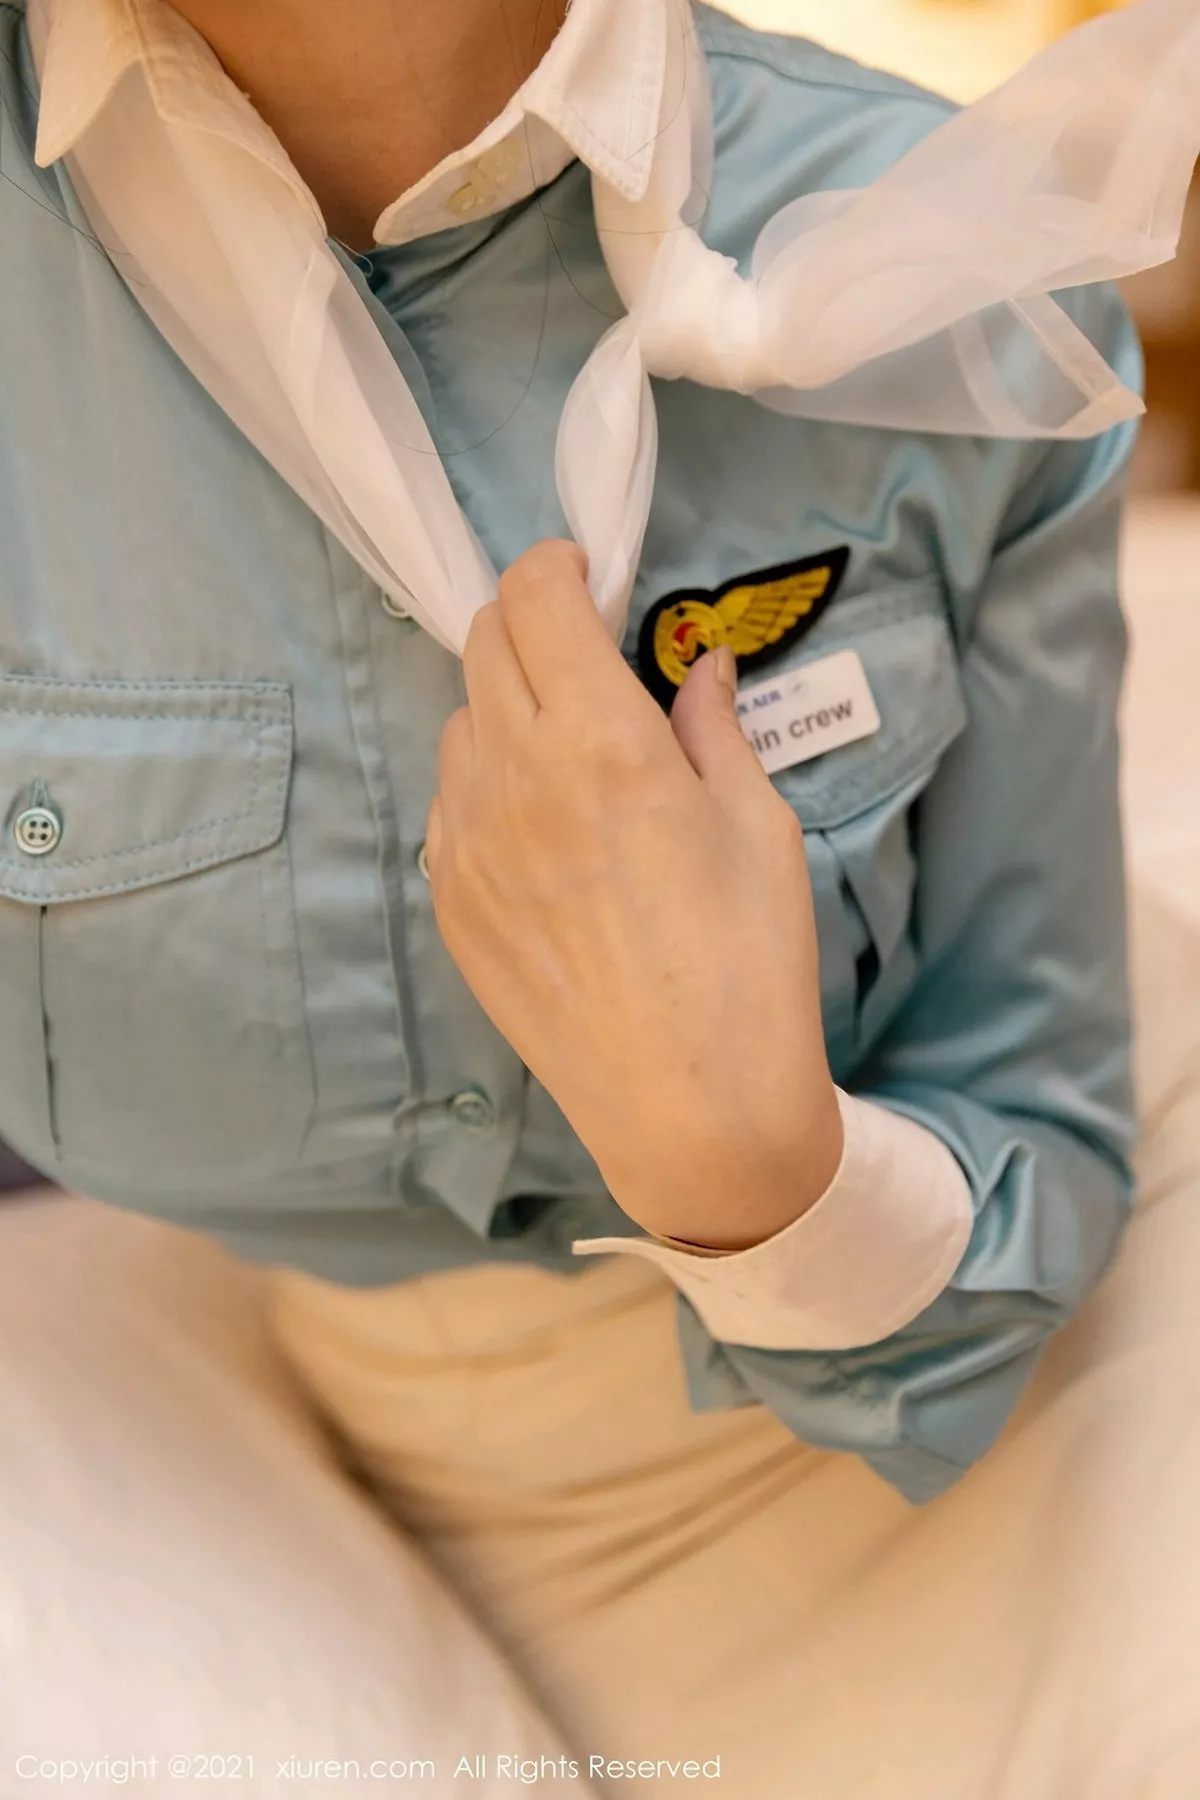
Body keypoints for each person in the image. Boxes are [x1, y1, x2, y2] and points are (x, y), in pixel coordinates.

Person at [4, 0, 1200, 1793]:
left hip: (1065, 1409)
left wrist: (759, 1177)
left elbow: (1040, 1117)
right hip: (303, 1510)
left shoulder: (942, 243)